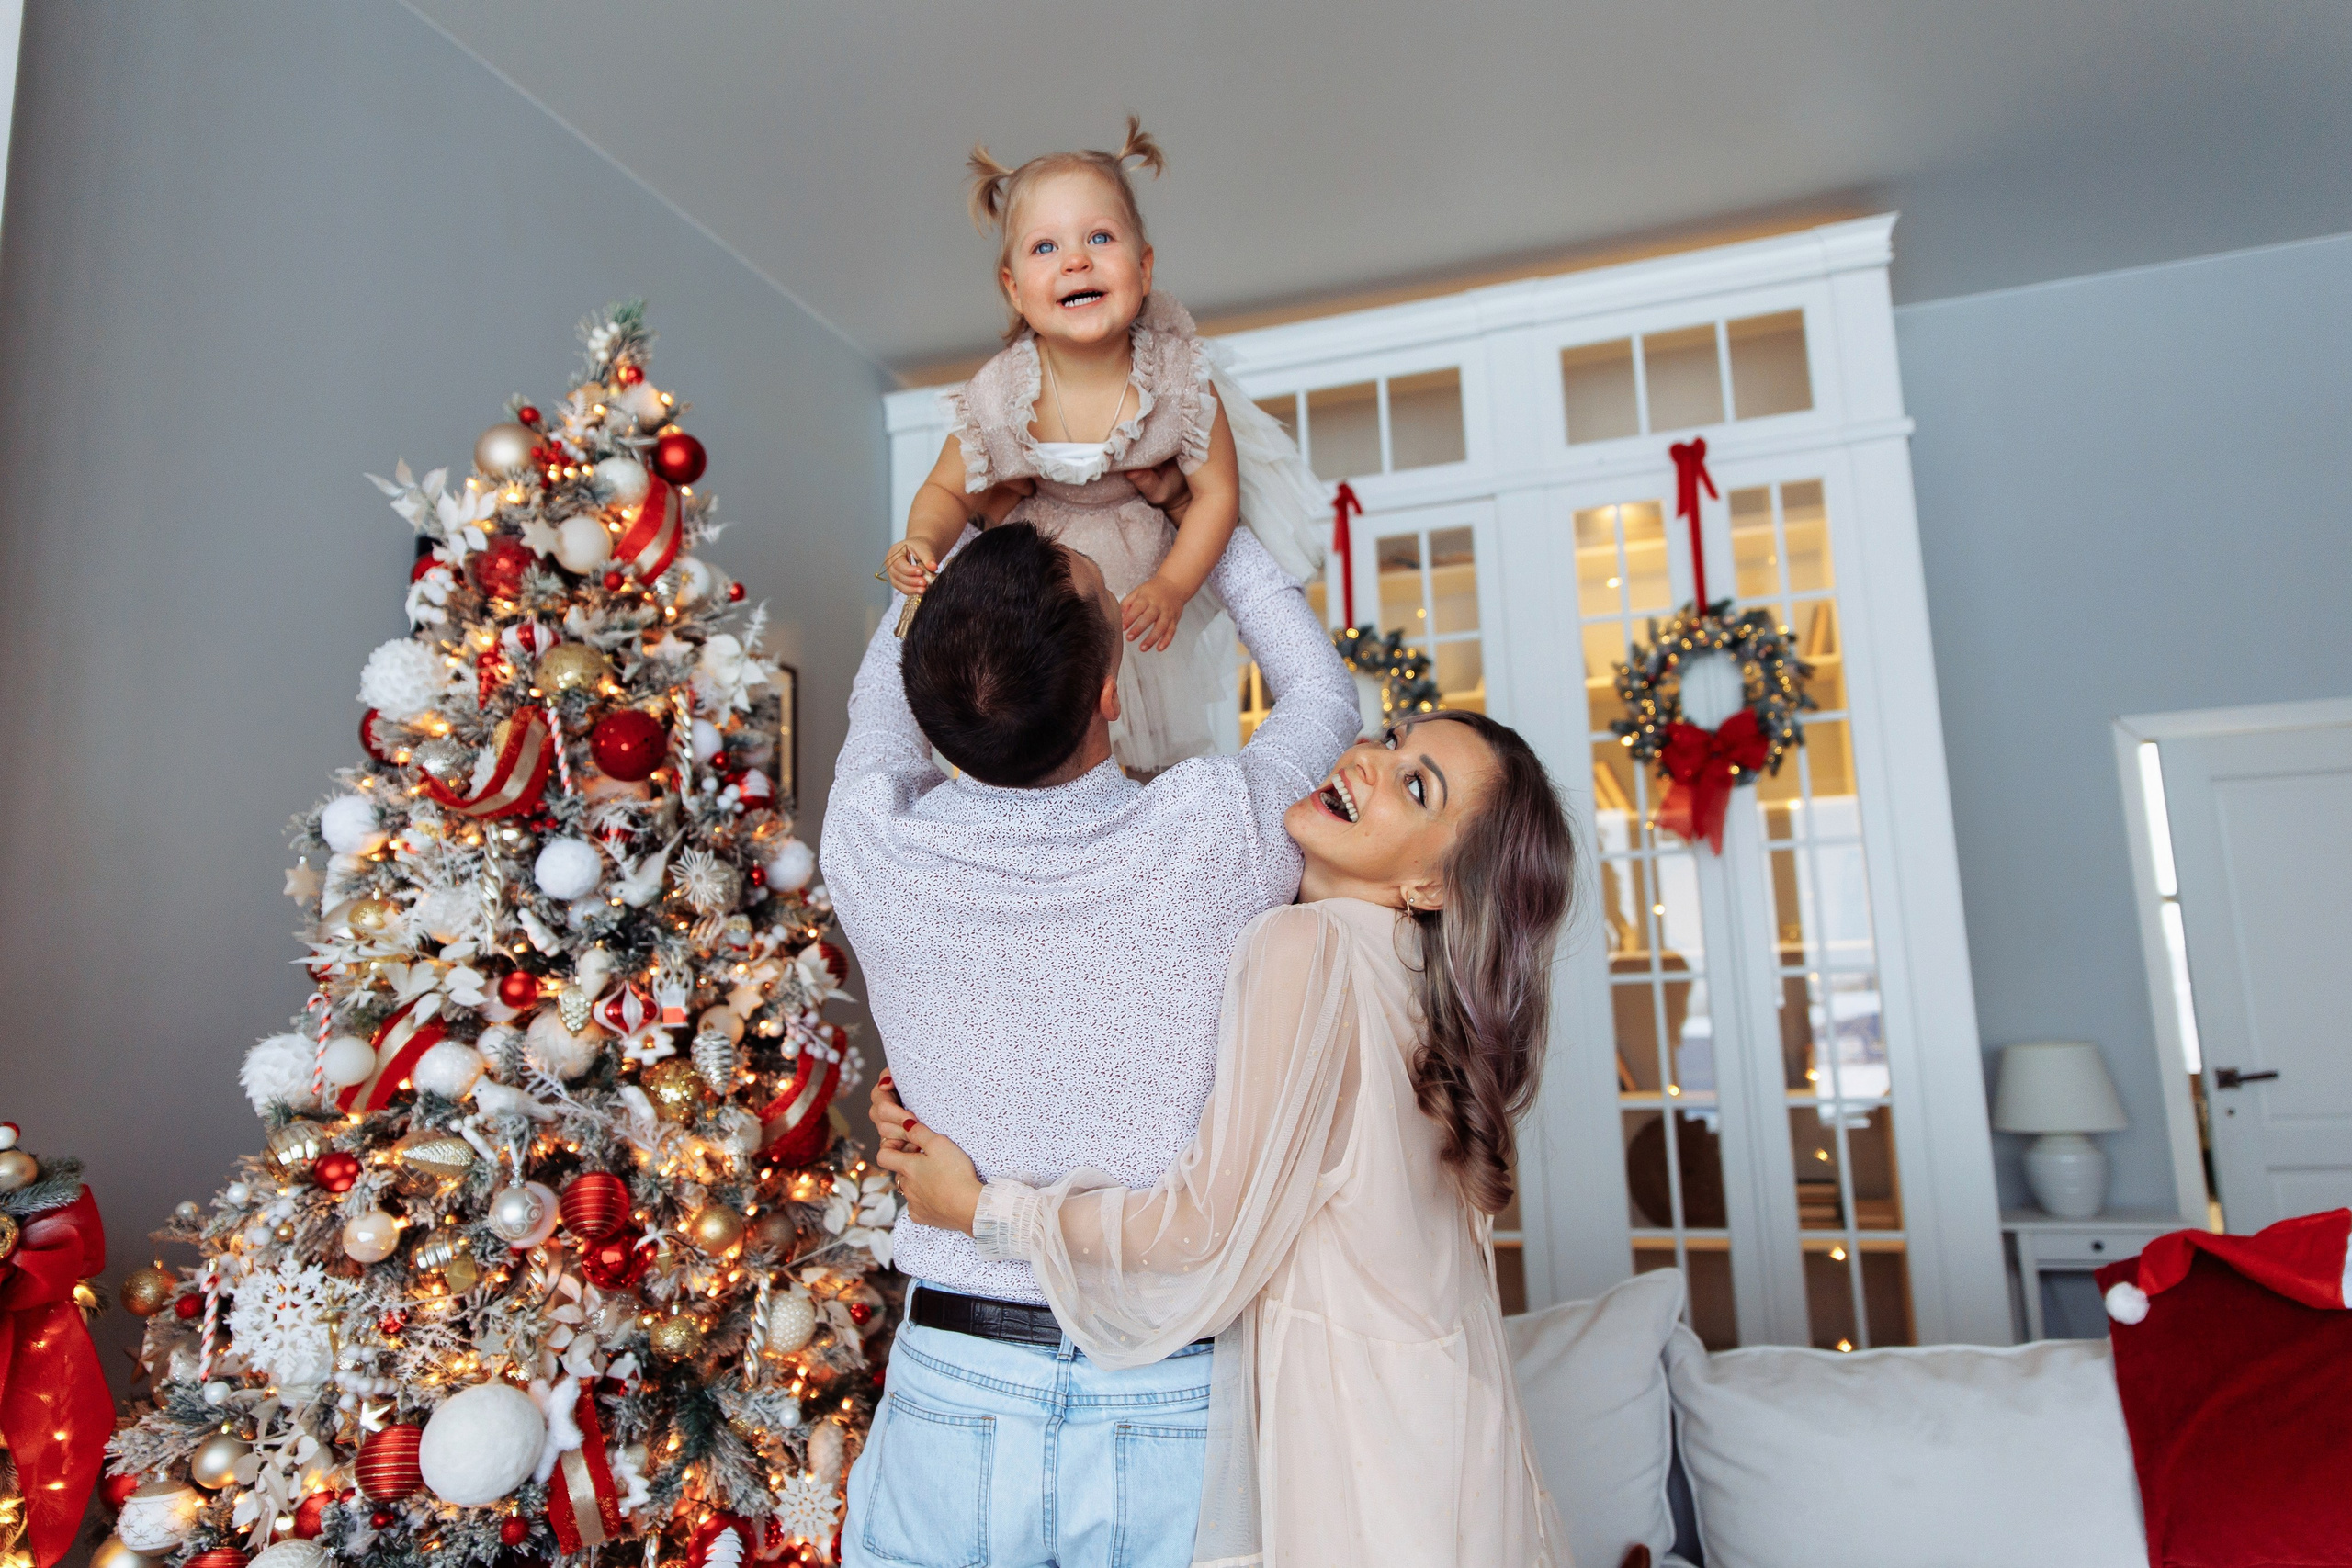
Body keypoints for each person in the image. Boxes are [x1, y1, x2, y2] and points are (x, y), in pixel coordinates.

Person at [874, 710, 1578, 1568]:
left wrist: (984, 1209)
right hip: (1446, 1437)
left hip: (1353, 1452)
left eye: (1415, 785)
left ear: (1434, 886)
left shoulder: (1306, 944)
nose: (1368, 763)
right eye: (1390, 741)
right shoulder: (1417, 982)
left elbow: (1204, 1226)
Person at [824, 492, 1360, 1565]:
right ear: (1112, 691)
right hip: (1172, 1388)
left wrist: (955, 525)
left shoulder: (867, 841)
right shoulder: (1213, 829)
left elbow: (881, 695)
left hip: (956, 1380)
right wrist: (1209, 526)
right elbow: (1321, 697)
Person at [883, 117, 1325, 775]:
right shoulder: (1002, 393)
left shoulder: (1175, 379)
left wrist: (1173, 585)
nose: (1076, 260)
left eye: (1099, 237)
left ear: (1144, 269)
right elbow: (950, 487)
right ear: (1012, 288)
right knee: (1040, 726)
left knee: (1149, 752)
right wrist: (923, 539)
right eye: (1044, 248)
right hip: (1050, 575)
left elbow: (1216, 494)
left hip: (1140, 564)